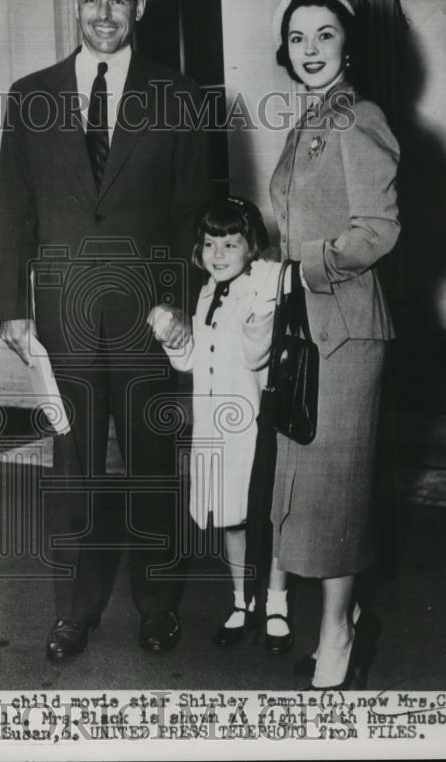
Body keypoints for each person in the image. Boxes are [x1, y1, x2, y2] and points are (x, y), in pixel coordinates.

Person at [0, 0, 212, 658]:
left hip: (148, 317)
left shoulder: (179, 96)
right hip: (64, 317)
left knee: (153, 462)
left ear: (139, 7)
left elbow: (192, 216)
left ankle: (157, 604)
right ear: (75, 2)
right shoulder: (31, 96)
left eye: (119, 0)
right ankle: (72, 612)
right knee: (74, 469)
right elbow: (15, 212)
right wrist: (9, 306)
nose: (104, 14)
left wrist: (180, 304)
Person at [267, 0, 400, 690]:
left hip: (347, 330)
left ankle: (338, 638)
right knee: (311, 493)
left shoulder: (358, 117)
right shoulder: (308, 121)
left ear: (347, 42)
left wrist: (302, 267)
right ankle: (337, 626)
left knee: (337, 493)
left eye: (324, 34)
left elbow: (377, 230)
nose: (310, 49)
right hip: (307, 330)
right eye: (297, 37)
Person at [150, 197, 294, 654]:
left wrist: (263, 314)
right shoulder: (208, 290)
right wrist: (175, 339)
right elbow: (195, 358)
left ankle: (276, 604)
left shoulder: (261, 289)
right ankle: (241, 601)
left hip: (251, 430)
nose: (218, 253)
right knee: (230, 520)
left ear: (252, 248)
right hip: (213, 432)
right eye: (210, 243)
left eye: (231, 244)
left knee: (264, 519)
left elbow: (257, 357)